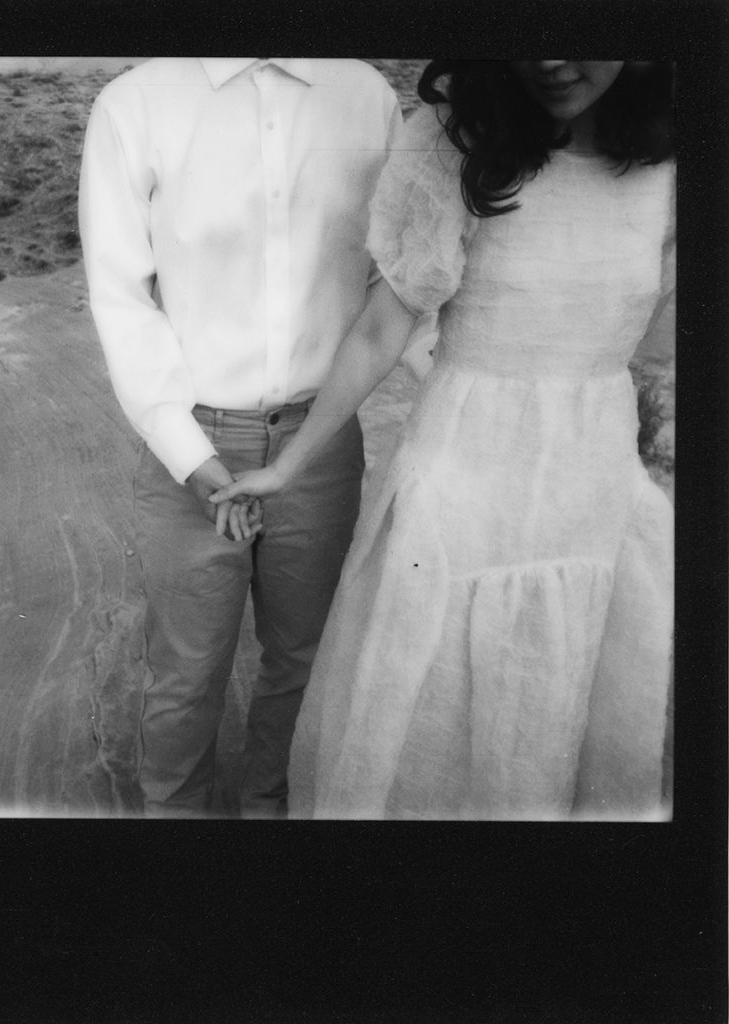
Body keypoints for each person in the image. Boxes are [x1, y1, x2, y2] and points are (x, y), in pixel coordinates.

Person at [211, 61, 676, 820]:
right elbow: (380, 327)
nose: (552, 59)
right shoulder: (456, 144)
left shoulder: (675, 163)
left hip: (593, 488)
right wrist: (287, 465)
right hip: (462, 485)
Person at [78, 58, 402, 817]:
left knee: (304, 661)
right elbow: (120, 296)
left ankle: (272, 814)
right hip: (190, 441)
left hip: (319, 441)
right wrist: (193, 460)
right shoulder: (136, 103)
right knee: (186, 672)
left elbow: (398, 275)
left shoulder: (366, 96)